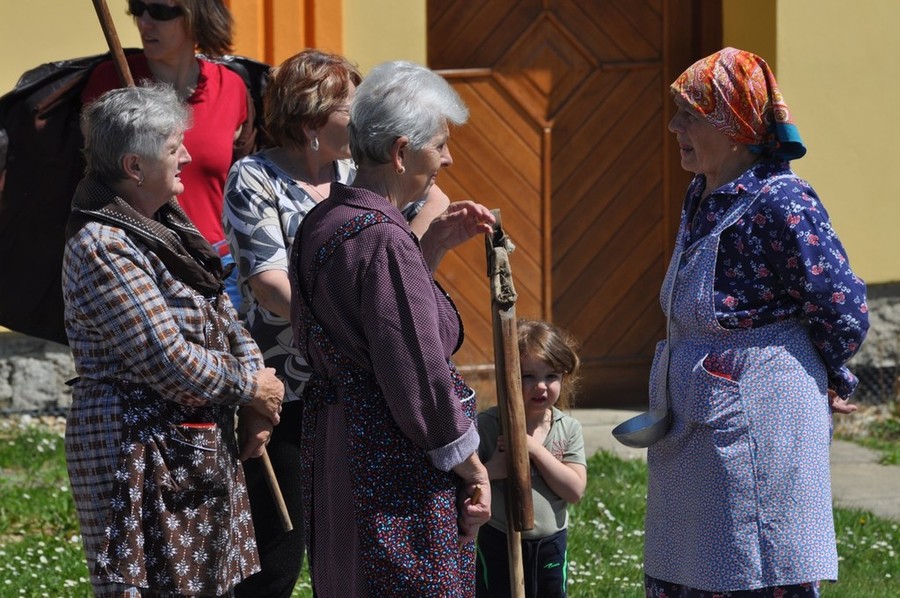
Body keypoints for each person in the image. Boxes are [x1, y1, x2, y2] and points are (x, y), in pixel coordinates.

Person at [223, 49, 470, 596]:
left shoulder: (354, 177)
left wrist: (406, 271)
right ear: (311, 117)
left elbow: (426, 215)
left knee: (353, 549)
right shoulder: (255, 176)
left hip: (363, 385)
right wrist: (358, 321)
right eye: (348, 106)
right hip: (285, 385)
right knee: (278, 552)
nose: (361, 117)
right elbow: (268, 283)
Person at [643, 47, 869, 597]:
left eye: (691, 115)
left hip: (758, 410)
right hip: (700, 411)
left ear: (734, 126)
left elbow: (842, 305)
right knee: (691, 562)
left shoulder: (782, 200)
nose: (674, 126)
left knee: (755, 565)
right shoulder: (704, 193)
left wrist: (826, 371)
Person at [62, 83, 284, 597]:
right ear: (134, 167)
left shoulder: (166, 226)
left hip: (189, 448)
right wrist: (251, 387)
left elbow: (225, 315)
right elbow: (167, 359)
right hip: (135, 454)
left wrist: (258, 400)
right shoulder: (103, 244)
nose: (186, 156)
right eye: (173, 148)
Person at [289, 60, 496, 596]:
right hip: (387, 462)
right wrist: (469, 463)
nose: (448, 159)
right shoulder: (382, 238)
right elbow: (416, 374)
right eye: (440, 145)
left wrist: (430, 247)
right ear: (401, 152)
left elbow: (375, 322)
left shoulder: (323, 221)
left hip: (336, 446)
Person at [81, 0, 257, 309]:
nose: (144, 22)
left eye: (161, 12)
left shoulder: (231, 87)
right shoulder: (110, 83)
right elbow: (94, 174)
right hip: (138, 259)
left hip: (215, 263)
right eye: (139, 8)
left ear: (197, 15)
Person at [476, 319, 587, 598]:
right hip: (499, 540)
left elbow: (574, 491)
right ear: (508, 376)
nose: (541, 386)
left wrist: (535, 450)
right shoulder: (488, 426)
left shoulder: (568, 429)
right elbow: (463, 485)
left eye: (551, 376)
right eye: (527, 376)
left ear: (564, 377)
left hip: (550, 544)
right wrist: (492, 470)